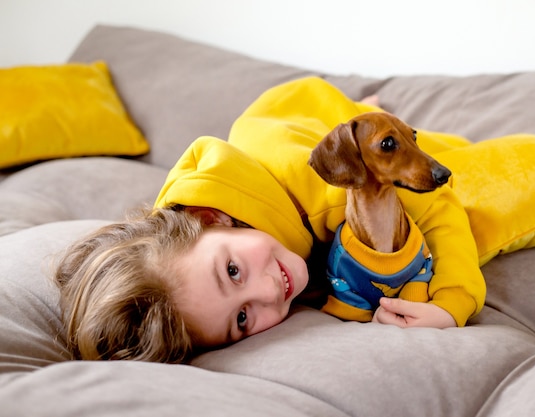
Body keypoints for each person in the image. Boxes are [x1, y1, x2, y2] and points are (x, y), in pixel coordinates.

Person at [54, 77, 486, 363]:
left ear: (210, 217)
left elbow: (441, 204)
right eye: (242, 319)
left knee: (454, 158)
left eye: (233, 270)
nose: (269, 291)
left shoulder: (326, 190)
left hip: (294, 107)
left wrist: (451, 304)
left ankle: (362, 104)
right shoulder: (192, 263)